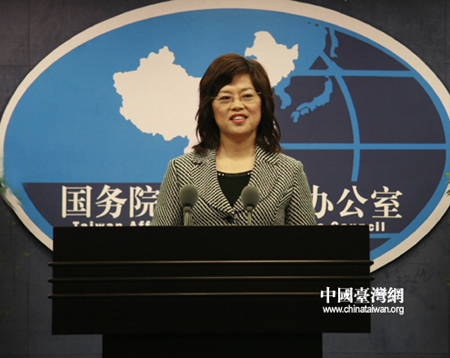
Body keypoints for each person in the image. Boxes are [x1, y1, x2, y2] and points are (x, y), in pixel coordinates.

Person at [152, 53, 316, 226]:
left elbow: (308, 248)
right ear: (210, 107)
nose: (237, 105)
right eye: (225, 98)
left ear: (263, 103)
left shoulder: (289, 171)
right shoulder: (181, 170)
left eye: (247, 96)